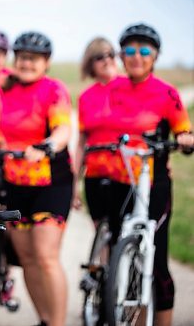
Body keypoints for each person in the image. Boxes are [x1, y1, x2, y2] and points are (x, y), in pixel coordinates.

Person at [82, 23, 192, 326]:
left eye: (145, 50)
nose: (137, 56)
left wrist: (184, 138)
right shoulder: (111, 89)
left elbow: (183, 127)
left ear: (155, 55)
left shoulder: (166, 92)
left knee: (155, 265)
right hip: (120, 182)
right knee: (119, 254)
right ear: (122, 54)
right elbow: (96, 124)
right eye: (130, 50)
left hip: (153, 185)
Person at [0, 32, 73, 326]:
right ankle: (44, 320)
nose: (26, 63)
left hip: (50, 183)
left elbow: (63, 128)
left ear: (47, 62)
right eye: (21, 57)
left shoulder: (54, 89)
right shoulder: (6, 87)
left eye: (33, 58)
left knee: (45, 257)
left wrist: (48, 145)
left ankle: (57, 323)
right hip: (14, 182)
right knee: (26, 258)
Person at [73, 37, 123, 218]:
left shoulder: (129, 87)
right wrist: (74, 184)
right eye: (99, 57)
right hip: (94, 173)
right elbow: (81, 143)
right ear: (90, 63)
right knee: (101, 233)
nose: (107, 60)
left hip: (125, 172)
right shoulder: (85, 97)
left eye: (111, 54)